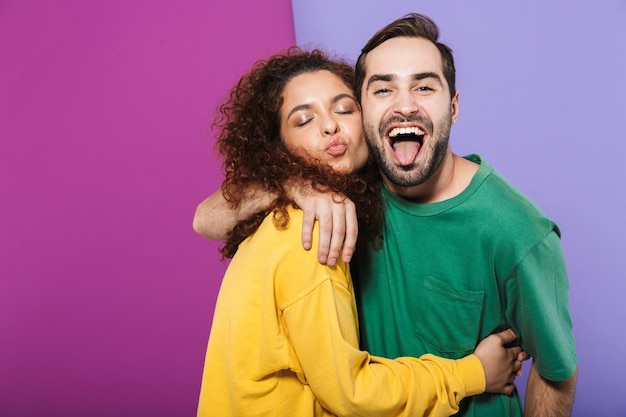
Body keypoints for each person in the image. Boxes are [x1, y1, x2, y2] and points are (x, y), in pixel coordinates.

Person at [194, 13, 578, 417]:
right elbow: (206, 218)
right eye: (383, 89)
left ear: (454, 106)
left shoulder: (516, 230)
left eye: (424, 86)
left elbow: (557, 373)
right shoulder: (333, 204)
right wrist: (296, 184)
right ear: (366, 111)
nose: (405, 105)